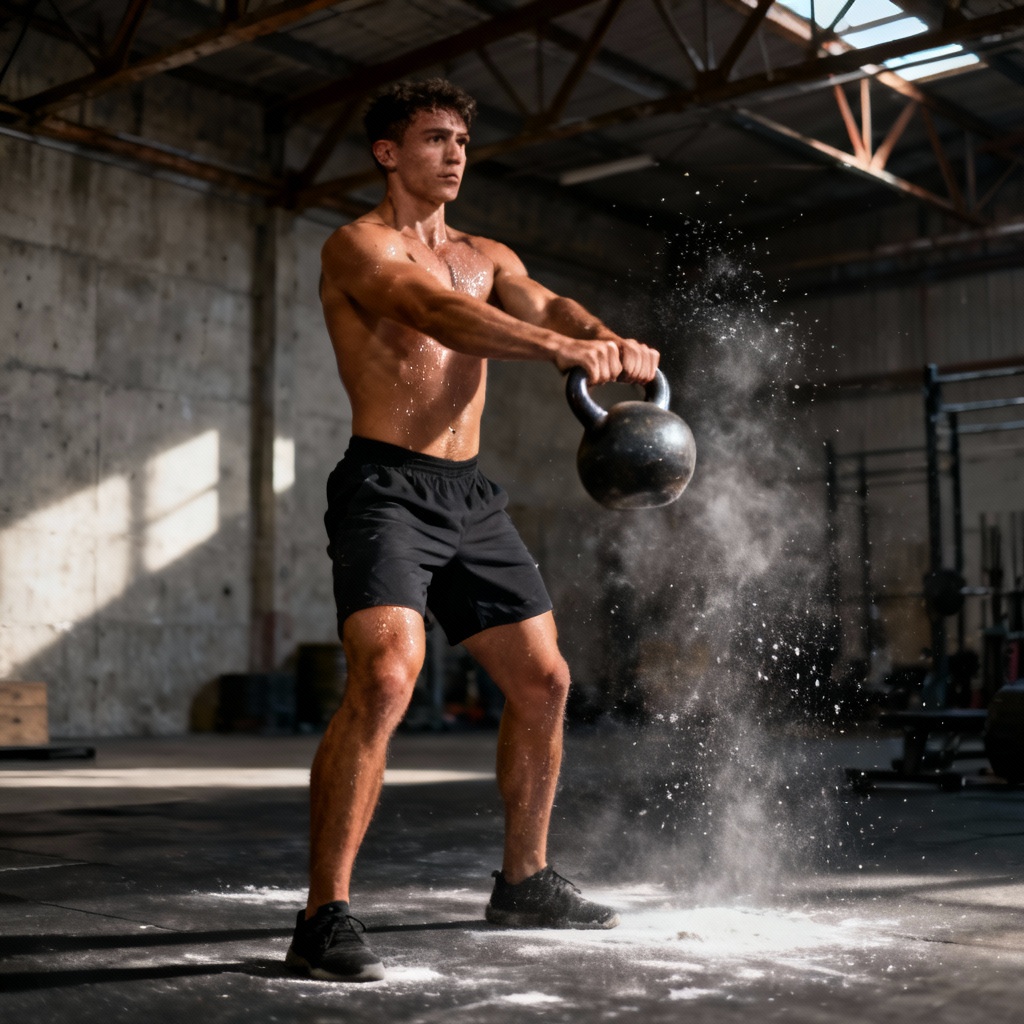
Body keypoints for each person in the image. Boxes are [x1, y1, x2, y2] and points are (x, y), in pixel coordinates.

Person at [285, 78, 660, 983]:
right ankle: (323, 914)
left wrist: (604, 337)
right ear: (388, 152)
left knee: (545, 681)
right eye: (434, 138)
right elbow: (436, 313)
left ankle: (524, 881)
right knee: (385, 674)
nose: (454, 153)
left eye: (461, 140)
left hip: (469, 496)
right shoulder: (357, 246)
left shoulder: (488, 251)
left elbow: (544, 305)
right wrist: (560, 353)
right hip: (384, 487)